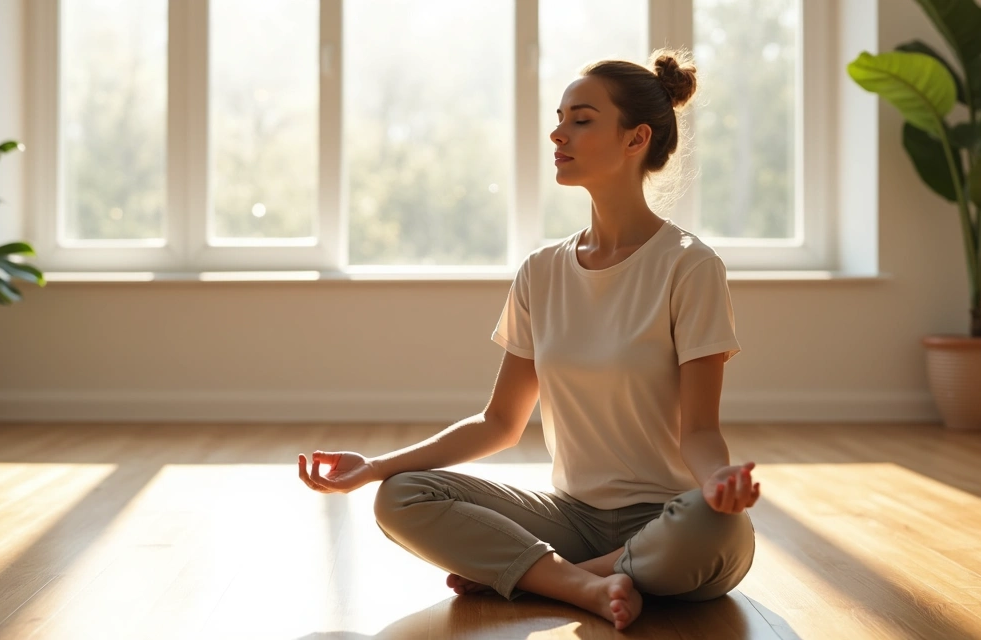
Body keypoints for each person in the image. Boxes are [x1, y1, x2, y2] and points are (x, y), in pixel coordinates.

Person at [297, 50, 760, 632]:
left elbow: (699, 432)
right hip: (571, 518)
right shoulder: (541, 271)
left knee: (717, 528)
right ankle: (585, 582)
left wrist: (717, 483)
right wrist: (373, 468)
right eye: (559, 118)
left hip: (669, 518)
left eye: (581, 120)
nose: (557, 133)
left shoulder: (690, 265)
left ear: (636, 138)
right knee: (400, 496)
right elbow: (499, 423)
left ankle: (552, 576)